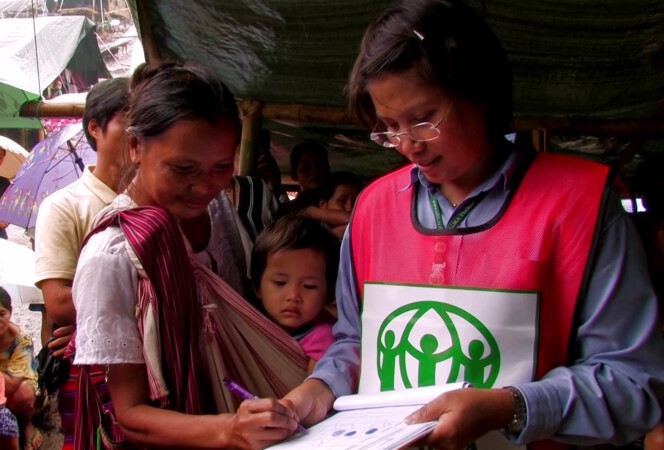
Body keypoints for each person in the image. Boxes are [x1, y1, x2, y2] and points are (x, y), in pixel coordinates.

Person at [277, 1, 664, 449]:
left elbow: (635, 382)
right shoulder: (373, 208)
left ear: (480, 91)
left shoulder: (582, 206)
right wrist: (318, 390)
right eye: (388, 126)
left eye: (424, 120)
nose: (407, 145)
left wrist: (512, 406)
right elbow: (354, 343)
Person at [72, 61, 307, 450]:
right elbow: (129, 414)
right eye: (183, 168)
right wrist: (228, 430)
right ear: (135, 147)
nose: (203, 186)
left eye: (221, 167)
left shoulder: (218, 210)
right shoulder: (111, 254)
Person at [33, 76, 130, 450]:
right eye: (128, 121)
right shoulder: (65, 205)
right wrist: (146, 297)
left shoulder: (155, 201)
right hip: (93, 364)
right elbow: (58, 302)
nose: (140, 134)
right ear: (96, 127)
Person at [250, 215, 339, 373]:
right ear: (258, 286)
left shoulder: (324, 338)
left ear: (328, 292)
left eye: (309, 286)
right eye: (280, 283)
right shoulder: (250, 326)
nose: (293, 296)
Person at [0, 285, 40, 450]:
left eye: (1, 314)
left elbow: (11, 385)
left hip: (12, 391)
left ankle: (26, 424)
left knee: (24, 392)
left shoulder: (21, 341)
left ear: (10, 312)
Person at [302, 171, 364, 239]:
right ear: (323, 205)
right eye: (342, 201)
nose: (350, 207)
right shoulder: (307, 232)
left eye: (356, 201)